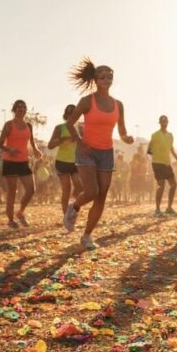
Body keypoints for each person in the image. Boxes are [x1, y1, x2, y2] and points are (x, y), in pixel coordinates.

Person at [62, 59, 135, 250]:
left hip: (106, 152)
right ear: (95, 79)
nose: (106, 78)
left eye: (109, 76)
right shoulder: (87, 101)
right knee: (92, 191)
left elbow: (122, 130)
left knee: (101, 196)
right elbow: (70, 123)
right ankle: (74, 207)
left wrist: (126, 138)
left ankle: (87, 235)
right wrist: (79, 141)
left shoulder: (118, 104)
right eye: (102, 76)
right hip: (86, 151)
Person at [0, 100, 43, 228]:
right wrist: (9, 149)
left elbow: (32, 142)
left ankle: (20, 211)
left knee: (31, 189)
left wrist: (36, 150)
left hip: (24, 161)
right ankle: (11, 220)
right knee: (12, 192)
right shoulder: (9, 125)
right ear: (14, 109)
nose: (21, 109)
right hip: (10, 161)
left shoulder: (29, 125)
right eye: (18, 107)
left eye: (24, 107)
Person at [48, 104, 82, 216]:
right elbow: (50, 145)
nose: (72, 115)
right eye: (69, 113)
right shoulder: (60, 128)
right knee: (66, 189)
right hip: (62, 161)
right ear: (66, 114)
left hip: (76, 162)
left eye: (74, 113)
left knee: (79, 186)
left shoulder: (80, 128)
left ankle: (72, 205)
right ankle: (66, 216)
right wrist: (62, 139)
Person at [148, 115, 177, 216]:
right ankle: (157, 210)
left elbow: (171, 149)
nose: (164, 123)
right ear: (160, 123)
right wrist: (156, 158)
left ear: (167, 123)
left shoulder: (170, 135)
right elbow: (149, 150)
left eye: (165, 121)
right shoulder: (155, 135)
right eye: (162, 121)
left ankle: (169, 207)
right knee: (161, 185)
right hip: (157, 163)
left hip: (167, 163)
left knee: (174, 184)